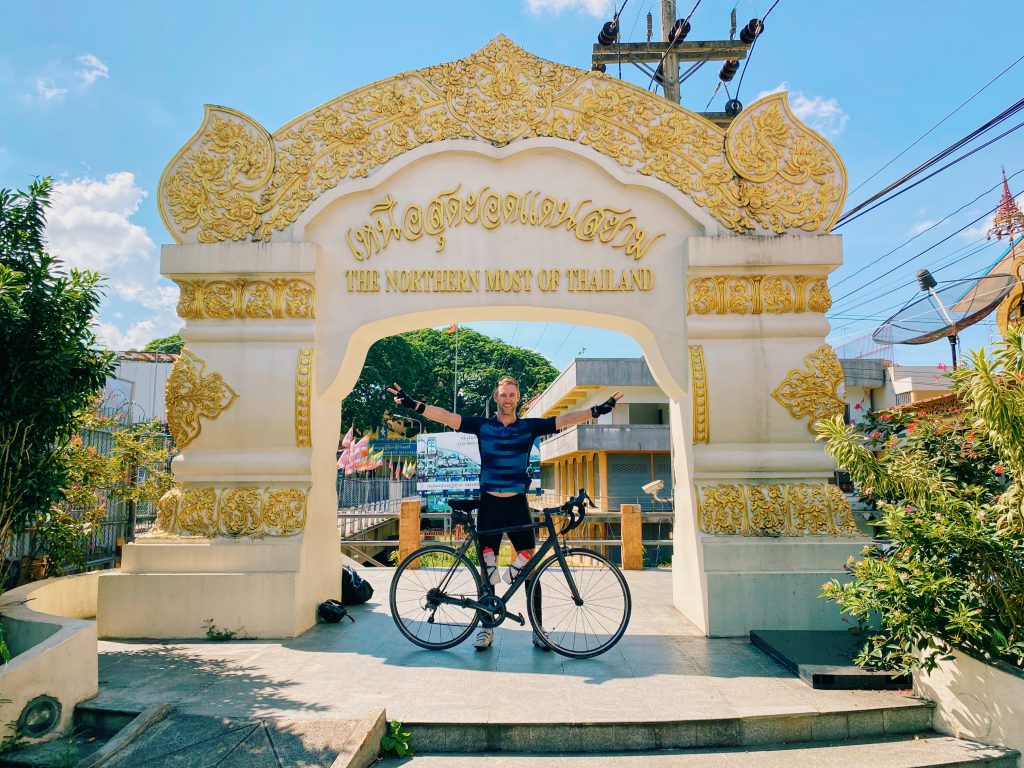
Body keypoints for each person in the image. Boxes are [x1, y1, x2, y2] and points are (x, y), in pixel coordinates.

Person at [388, 376, 621, 651]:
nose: (507, 399)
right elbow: (448, 417)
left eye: (512, 395)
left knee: (530, 568)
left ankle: (538, 629)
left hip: (517, 504)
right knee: (488, 570)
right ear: (496, 398)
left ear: (518, 398)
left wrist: (596, 411)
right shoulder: (482, 426)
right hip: (489, 504)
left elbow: (563, 419)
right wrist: (414, 404)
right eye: (503, 395)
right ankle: (486, 629)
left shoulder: (529, 427)